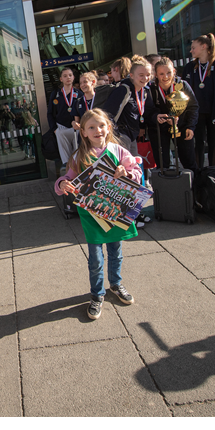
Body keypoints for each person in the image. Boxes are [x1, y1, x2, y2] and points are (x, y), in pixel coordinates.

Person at [54, 109, 142, 321]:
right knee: (95, 258)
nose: (97, 130)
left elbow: (137, 175)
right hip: (92, 216)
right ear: (83, 132)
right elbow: (65, 180)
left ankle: (116, 283)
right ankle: (97, 294)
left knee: (116, 251)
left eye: (101, 125)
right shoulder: (78, 156)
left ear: (108, 128)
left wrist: (127, 172)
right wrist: (63, 183)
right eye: (91, 127)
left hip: (114, 212)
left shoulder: (119, 151)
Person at [182, 33, 215, 168]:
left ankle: (213, 170)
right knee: (199, 142)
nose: (191, 51)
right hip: (197, 112)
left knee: (213, 141)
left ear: (204, 47)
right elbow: (183, 89)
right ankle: (199, 171)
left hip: (214, 111)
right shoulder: (190, 67)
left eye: (194, 48)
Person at [148, 57, 199, 173]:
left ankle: (194, 189)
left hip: (182, 127)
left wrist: (190, 126)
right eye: (161, 74)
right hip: (159, 130)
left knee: (189, 162)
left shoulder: (182, 85)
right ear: (156, 74)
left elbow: (193, 107)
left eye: (169, 73)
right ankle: (166, 190)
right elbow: (148, 110)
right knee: (163, 165)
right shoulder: (151, 89)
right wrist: (157, 117)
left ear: (174, 71)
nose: (165, 77)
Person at [47, 67, 83, 169]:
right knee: (66, 156)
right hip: (61, 126)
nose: (68, 78)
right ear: (61, 79)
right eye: (65, 76)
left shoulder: (79, 94)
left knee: (77, 151)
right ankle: (66, 166)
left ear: (73, 78)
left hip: (76, 127)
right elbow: (50, 112)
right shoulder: (56, 94)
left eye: (70, 75)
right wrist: (54, 128)